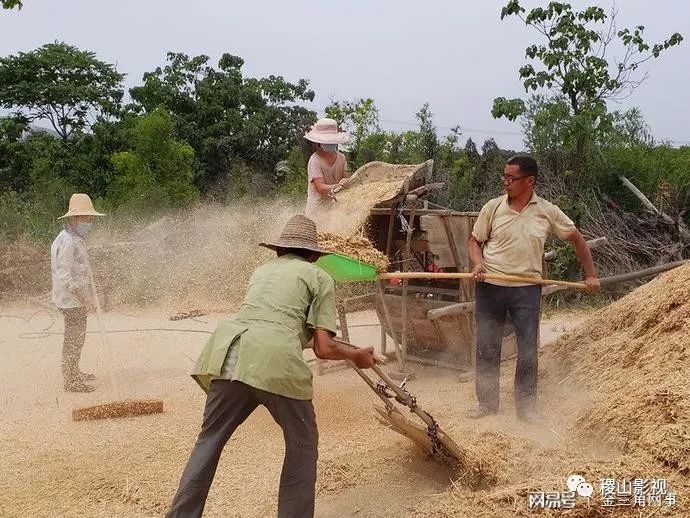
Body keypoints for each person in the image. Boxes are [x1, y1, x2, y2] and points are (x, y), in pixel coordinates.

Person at [167, 215, 375, 518]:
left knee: (209, 441)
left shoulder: (262, 271)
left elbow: (275, 323)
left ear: (279, 249)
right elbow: (324, 347)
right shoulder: (320, 277)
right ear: (315, 255)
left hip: (231, 355)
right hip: (275, 363)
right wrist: (356, 355)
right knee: (302, 445)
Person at [467, 155, 600, 422]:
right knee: (487, 346)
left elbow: (577, 239)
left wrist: (591, 274)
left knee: (528, 348)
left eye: (511, 178)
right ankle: (487, 403)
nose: (506, 182)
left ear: (530, 181)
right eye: (504, 177)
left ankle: (526, 408)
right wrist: (478, 263)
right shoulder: (493, 208)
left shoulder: (547, 211)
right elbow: (474, 241)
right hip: (490, 286)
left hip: (527, 289)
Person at [50, 193, 106, 393]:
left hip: (78, 299)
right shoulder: (66, 241)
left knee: (78, 337)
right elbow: (63, 277)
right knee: (73, 338)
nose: (89, 221)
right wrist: (84, 299)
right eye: (86, 218)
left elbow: (81, 268)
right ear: (73, 219)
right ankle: (71, 379)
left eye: (91, 218)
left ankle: (74, 371)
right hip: (71, 300)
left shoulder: (76, 238)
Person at [303, 118, 351, 219]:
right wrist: (338, 185)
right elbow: (320, 188)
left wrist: (346, 182)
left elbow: (346, 178)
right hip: (317, 211)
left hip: (335, 209)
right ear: (319, 143)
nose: (330, 144)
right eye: (327, 142)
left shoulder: (341, 158)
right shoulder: (314, 161)